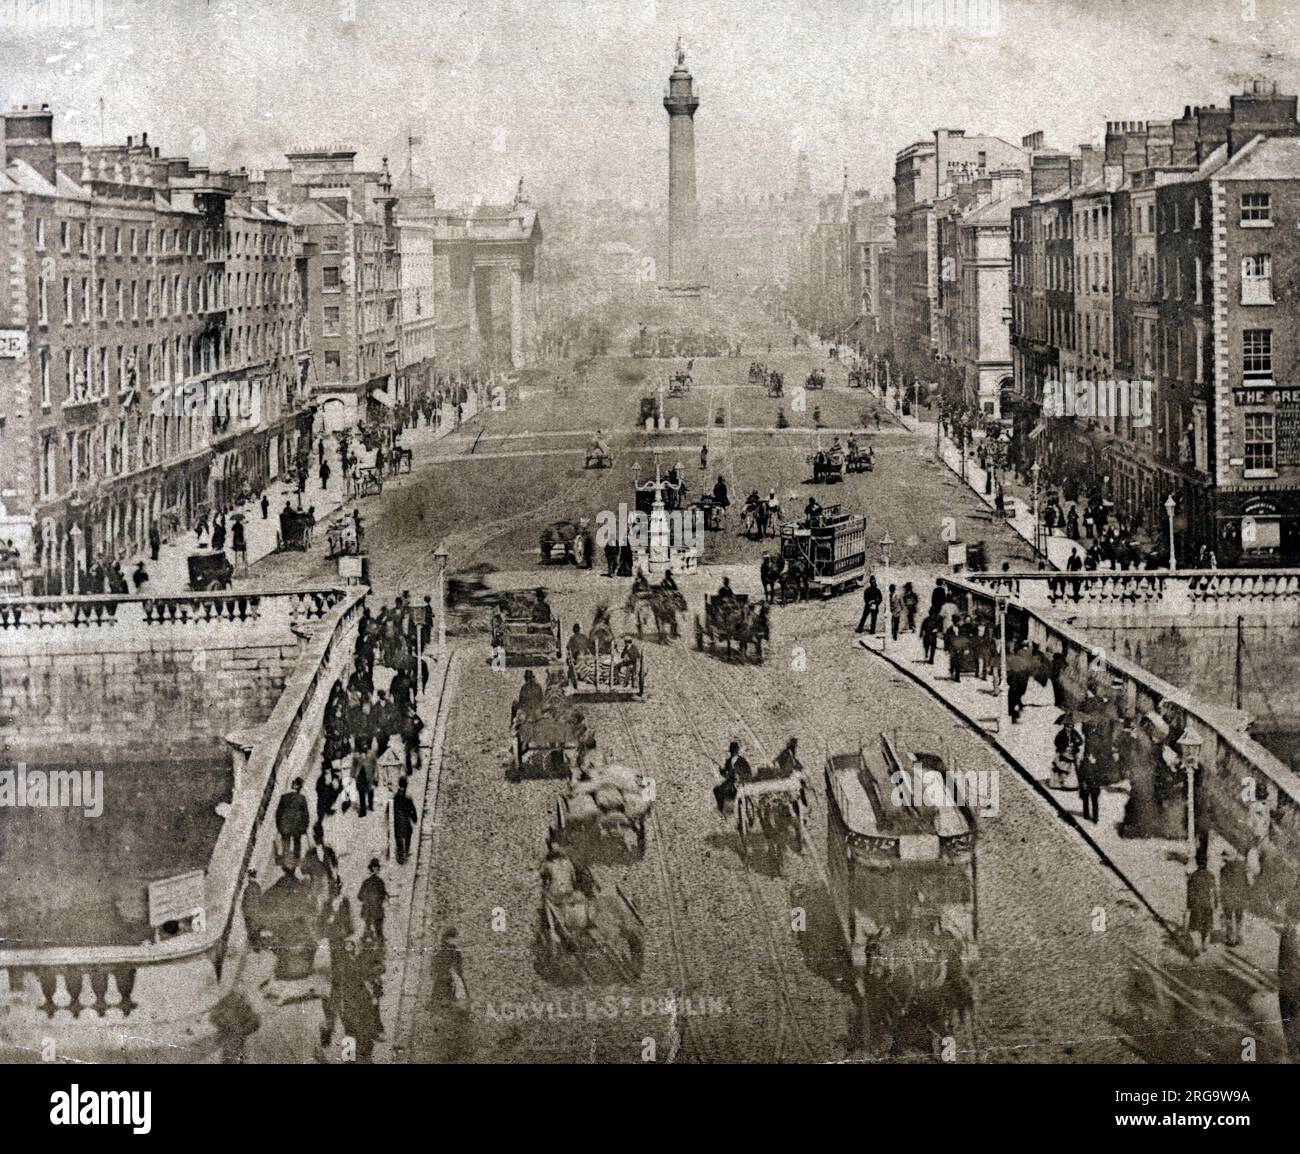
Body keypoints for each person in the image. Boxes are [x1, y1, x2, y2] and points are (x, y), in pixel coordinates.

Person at [1186, 856, 1217, 956]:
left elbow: (1189, 892)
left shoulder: (1193, 876)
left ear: (1197, 864)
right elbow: (1214, 891)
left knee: (1195, 927)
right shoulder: (1210, 875)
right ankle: (1204, 944)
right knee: (1205, 926)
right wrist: (1216, 903)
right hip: (1207, 905)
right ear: (1206, 864)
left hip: (1196, 905)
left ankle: (1197, 946)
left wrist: (1189, 905)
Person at [274, 777, 311, 862]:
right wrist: (305, 827)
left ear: (293, 785)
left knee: (286, 840)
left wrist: (278, 826)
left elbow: (278, 813)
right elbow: (305, 814)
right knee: (297, 841)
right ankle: (296, 859)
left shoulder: (284, 797)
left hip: (285, 826)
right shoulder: (302, 798)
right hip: (297, 826)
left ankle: (286, 858)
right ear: (299, 788)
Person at [1219, 848, 1249, 948]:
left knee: (1228, 918)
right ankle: (1239, 938)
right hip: (1240, 897)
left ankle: (1230, 939)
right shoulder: (1242, 867)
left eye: (1224, 858)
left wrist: (1222, 898)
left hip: (1229, 898)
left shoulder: (1223, 869)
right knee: (1239, 918)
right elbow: (1247, 883)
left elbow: (1222, 885)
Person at [714, 740, 752, 813]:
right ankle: (729, 808)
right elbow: (748, 772)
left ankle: (724, 809)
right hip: (743, 782)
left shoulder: (730, 761)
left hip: (736, 783)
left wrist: (722, 772)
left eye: (732, 750)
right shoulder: (742, 760)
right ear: (737, 750)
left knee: (717, 790)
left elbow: (727, 775)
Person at [358, 858, 388, 943]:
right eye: (376, 868)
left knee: (368, 930)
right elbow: (382, 896)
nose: (378, 870)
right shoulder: (380, 882)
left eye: (378, 868)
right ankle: (378, 945)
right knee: (378, 932)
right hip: (376, 911)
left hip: (368, 911)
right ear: (373, 868)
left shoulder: (366, 882)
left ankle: (368, 944)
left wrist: (367, 900)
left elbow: (359, 896)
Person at [393, 776, 419, 865]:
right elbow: (412, 811)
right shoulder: (407, 799)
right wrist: (414, 818)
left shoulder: (394, 798)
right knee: (408, 835)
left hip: (396, 823)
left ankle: (401, 856)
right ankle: (406, 851)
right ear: (406, 785)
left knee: (399, 839)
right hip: (405, 823)